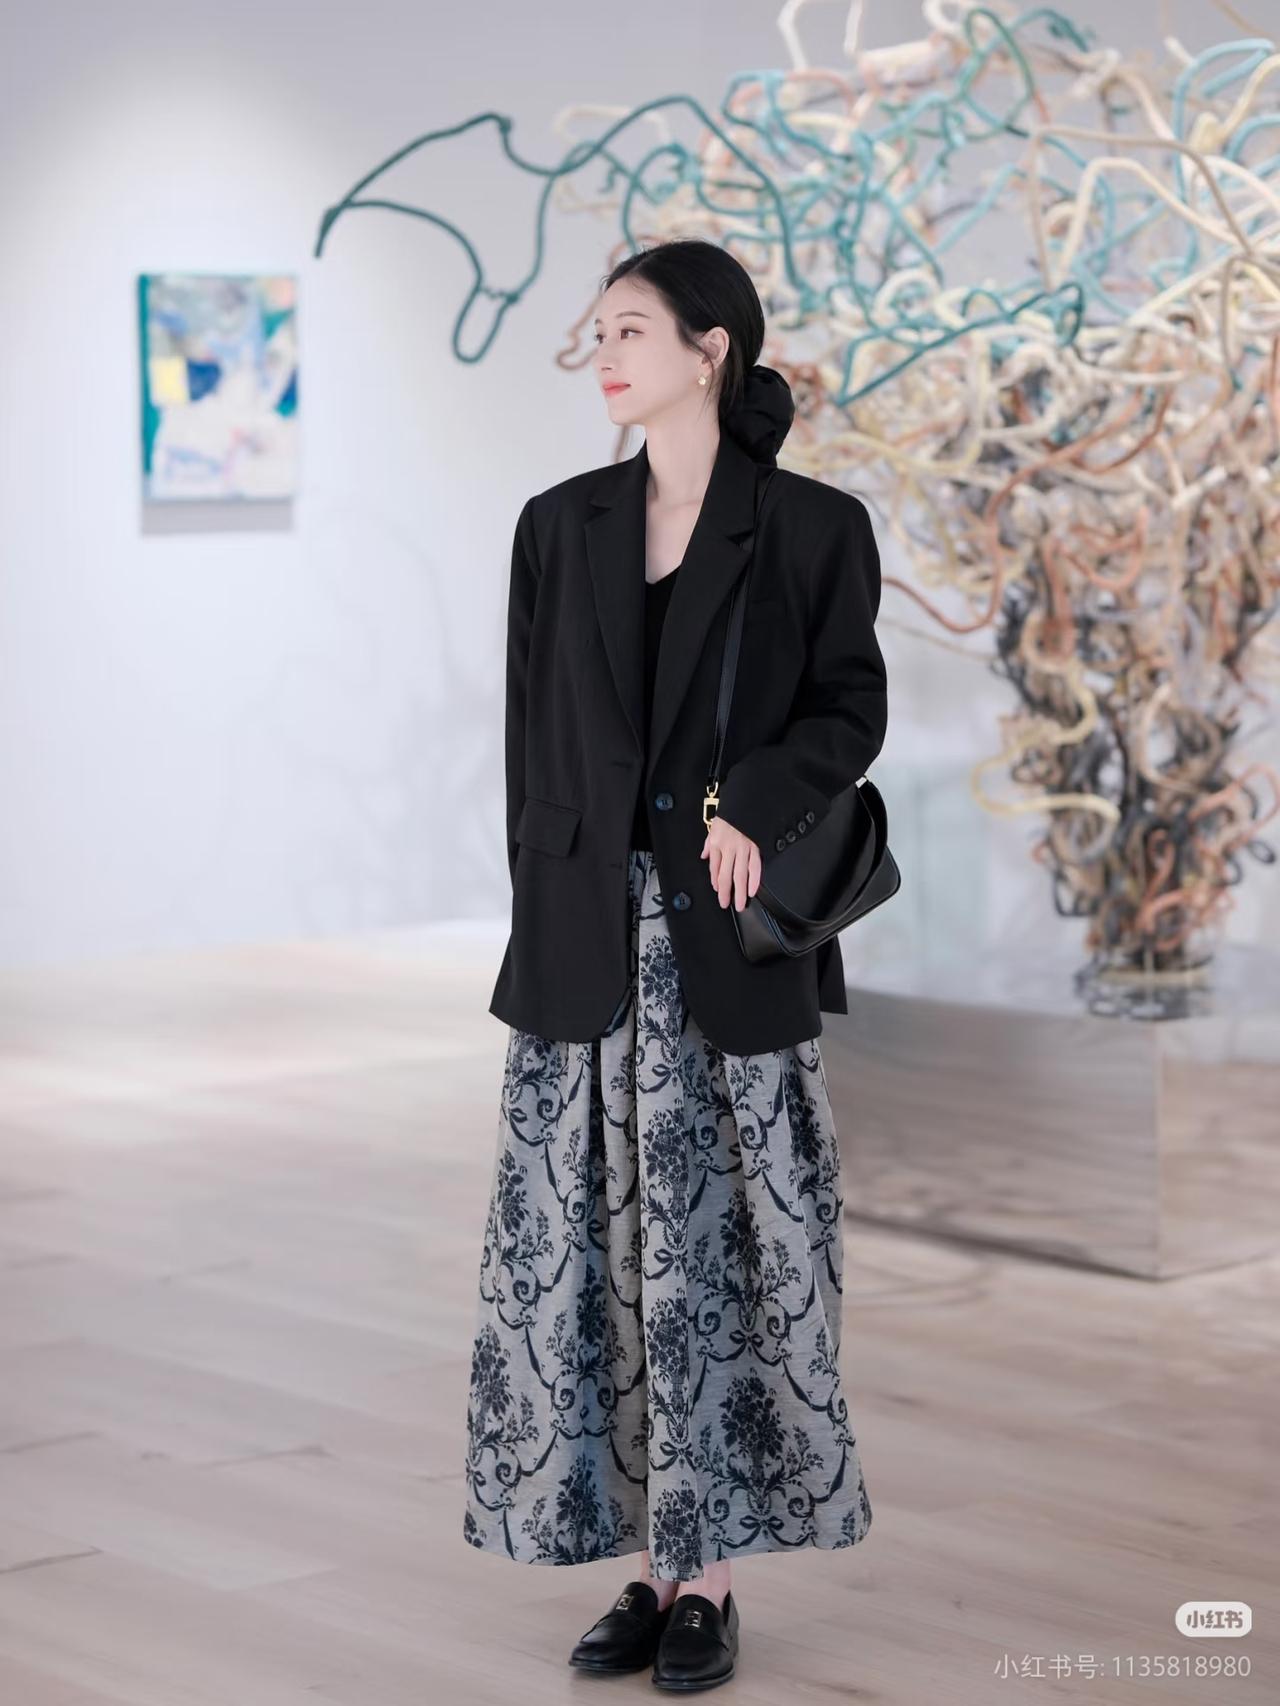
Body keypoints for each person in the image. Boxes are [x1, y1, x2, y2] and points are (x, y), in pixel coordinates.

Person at [463, 238, 887, 1691]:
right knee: (592, 1267)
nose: (605, 356)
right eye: (597, 334)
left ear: (713, 350)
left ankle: (705, 1581)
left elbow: (849, 710)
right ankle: (644, 1569)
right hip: (582, 947)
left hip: (722, 946)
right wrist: (535, 906)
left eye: (630, 330)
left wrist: (752, 803)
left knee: (720, 1262)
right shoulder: (558, 524)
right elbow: (530, 741)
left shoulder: (812, 527)